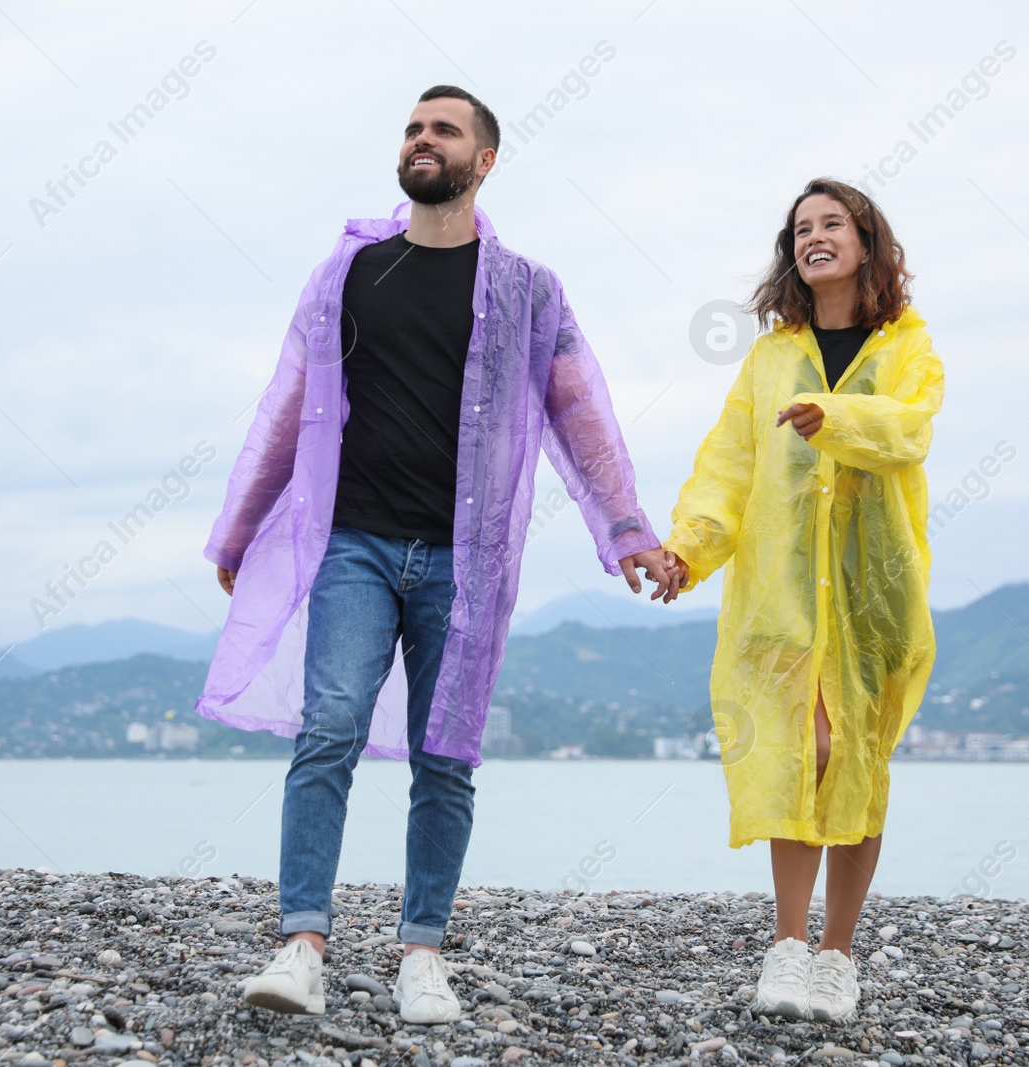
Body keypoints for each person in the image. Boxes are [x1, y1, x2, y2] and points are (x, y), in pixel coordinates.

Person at [196, 85, 677, 1024]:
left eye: (443, 130)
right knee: (328, 727)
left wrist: (626, 529)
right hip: (354, 547)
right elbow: (289, 405)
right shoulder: (350, 272)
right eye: (413, 128)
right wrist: (241, 527)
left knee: (444, 757)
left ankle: (423, 953)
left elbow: (582, 415)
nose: (422, 139)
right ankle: (302, 943)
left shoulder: (527, 289)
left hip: (467, 561)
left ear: (484, 160)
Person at [661, 178, 943, 1023]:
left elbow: (910, 426)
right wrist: (687, 548)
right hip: (780, 594)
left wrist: (835, 416)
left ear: (866, 240)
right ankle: (788, 945)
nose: (814, 236)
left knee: (855, 755)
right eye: (801, 229)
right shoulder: (769, 359)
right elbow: (728, 466)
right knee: (799, 748)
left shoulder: (906, 344)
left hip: (874, 590)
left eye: (832, 224)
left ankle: (838, 956)